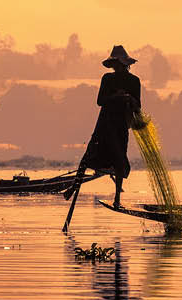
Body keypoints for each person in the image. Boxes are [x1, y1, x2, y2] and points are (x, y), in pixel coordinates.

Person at [69, 45, 141, 208]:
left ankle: (117, 199)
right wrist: (115, 96)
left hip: (121, 124)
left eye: (118, 64)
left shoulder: (134, 81)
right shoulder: (107, 79)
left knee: (119, 158)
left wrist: (128, 98)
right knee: (89, 154)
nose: (116, 67)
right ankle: (73, 188)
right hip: (104, 123)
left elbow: (138, 106)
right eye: (114, 64)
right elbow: (100, 101)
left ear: (125, 64)